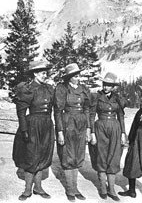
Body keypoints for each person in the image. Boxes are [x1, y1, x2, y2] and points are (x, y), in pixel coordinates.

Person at [12, 60, 55, 201]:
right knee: (31, 157)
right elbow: (21, 112)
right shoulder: (28, 88)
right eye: (43, 73)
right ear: (35, 74)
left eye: (46, 72)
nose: (45, 75)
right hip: (32, 126)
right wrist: (24, 130)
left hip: (47, 126)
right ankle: (27, 190)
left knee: (43, 155)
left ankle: (38, 188)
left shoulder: (49, 88)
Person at [54, 63, 91, 202]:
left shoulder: (83, 89)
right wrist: (60, 131)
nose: (78, 77)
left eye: (78, 75)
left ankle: (75, 189)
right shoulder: (62, 89)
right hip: (67, 122)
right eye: (75, 75)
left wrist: (88, 128)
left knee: (78, 156)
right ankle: (70, 189)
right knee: (68, 156)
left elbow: (87, 109)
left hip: (81, 124)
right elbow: (57, 111)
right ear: (69, 77)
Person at [88, 72, 127, 202]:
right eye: (105, 84)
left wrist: (123, 133)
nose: (106, 87)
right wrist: (92, 132)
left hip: (115, 128)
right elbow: (92, 115)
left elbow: (121, 116)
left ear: (113, 87)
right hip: (100, 128)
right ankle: (103, 189)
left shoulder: (118, 98)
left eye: (109, 85)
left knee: (114, 156)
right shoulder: (97, 97)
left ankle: (111, 189)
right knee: (101, 156)